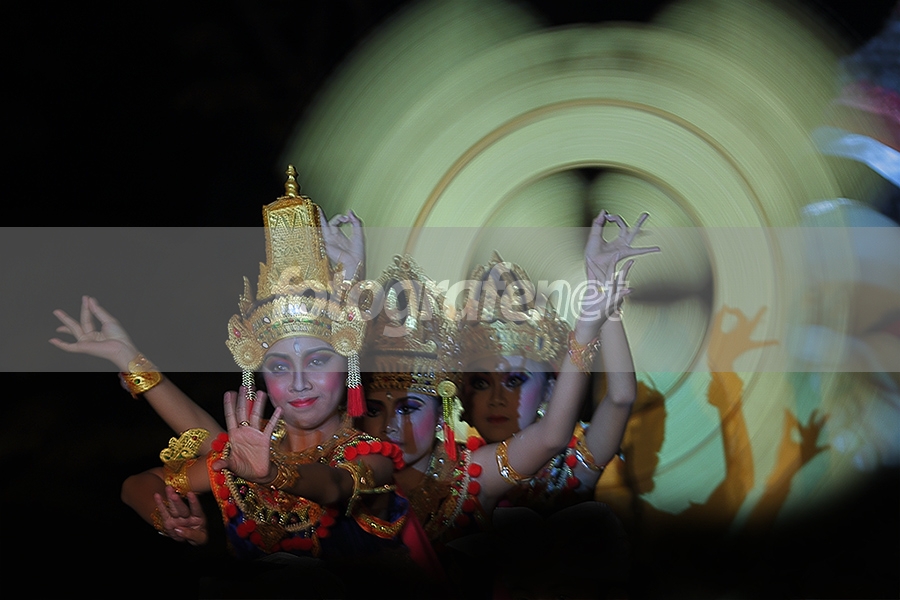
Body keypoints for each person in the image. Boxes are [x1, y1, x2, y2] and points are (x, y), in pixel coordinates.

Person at [50, 167, 421, 594]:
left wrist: (271, 475)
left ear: (348, 361)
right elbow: (137, 485)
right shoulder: (248, 452)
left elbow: (334, 485)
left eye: (318, 361)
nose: (299, 382)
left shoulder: (371, 457)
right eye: (279, 366)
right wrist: (168, 518)